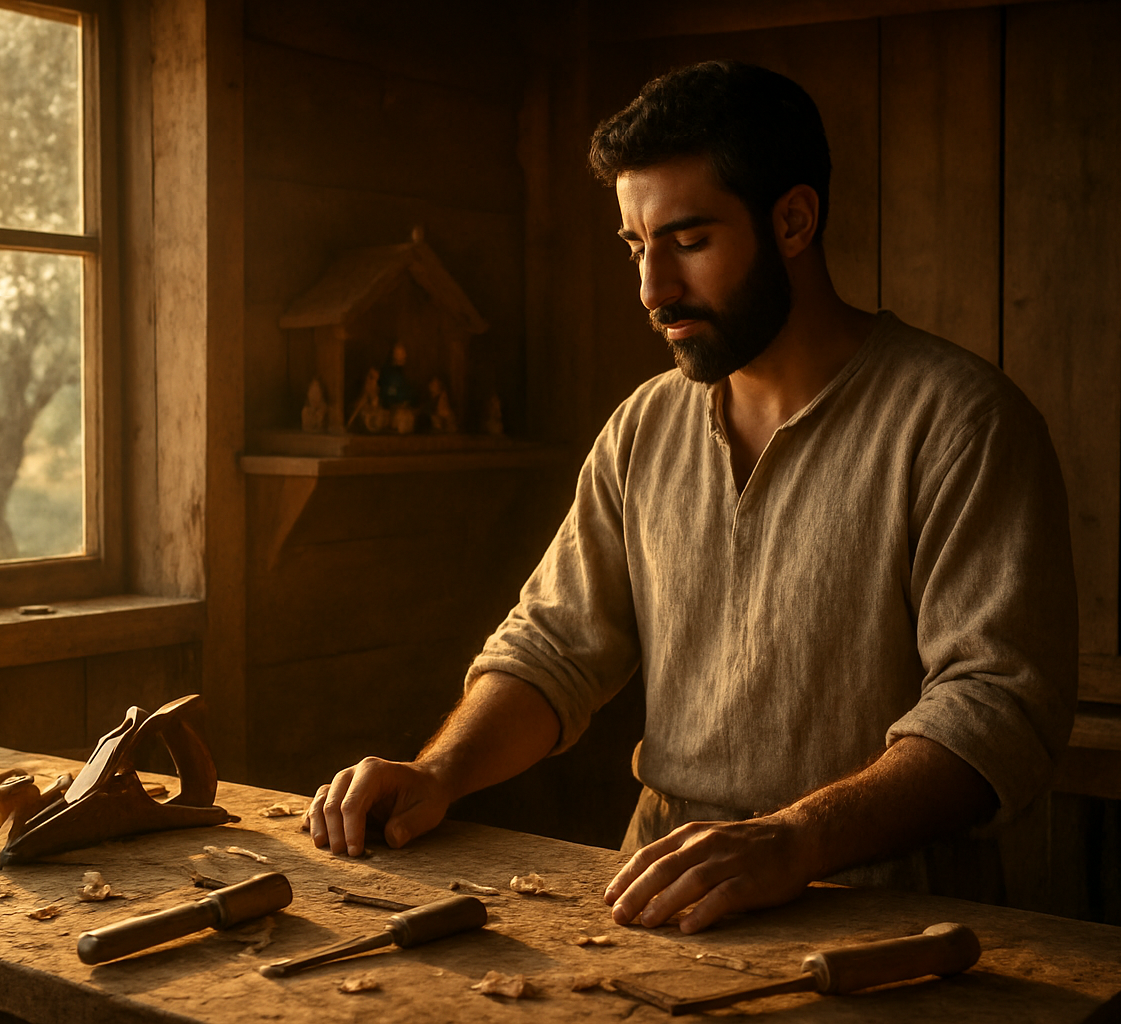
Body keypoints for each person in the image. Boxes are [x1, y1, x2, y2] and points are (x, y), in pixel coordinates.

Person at [306, 60, 1077, 935]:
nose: (652, 289)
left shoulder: (960, 422)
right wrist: (439, 773)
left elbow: (999, 710)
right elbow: (554, 646)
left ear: (792, 220)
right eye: (636, 246)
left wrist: (791, 840)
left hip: (890, 917)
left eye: (690, 240)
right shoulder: (644, 426)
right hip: (663, 895)